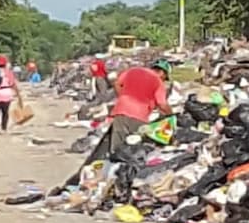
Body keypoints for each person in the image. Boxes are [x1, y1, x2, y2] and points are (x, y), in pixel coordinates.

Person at [59, 59, 173, 191]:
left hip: (121, 111)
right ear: (163, 73)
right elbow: (163, 104)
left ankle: (104, 178)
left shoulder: (133, 71)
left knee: (116, 148)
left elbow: (117, 84)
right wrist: (171, 115)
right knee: (128, 151)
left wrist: (124, 97)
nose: (164, 80)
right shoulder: (157, 82)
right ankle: (117, 183)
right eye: (165, 77)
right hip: (139, 117)